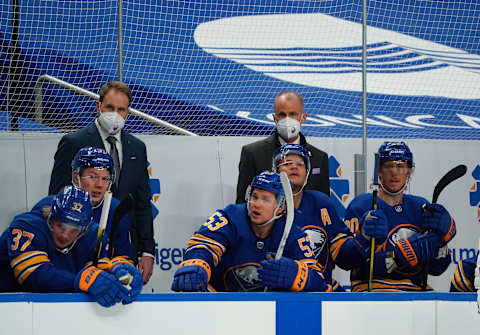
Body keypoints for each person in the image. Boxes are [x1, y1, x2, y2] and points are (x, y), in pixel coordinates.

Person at [48, 81, 154, 284]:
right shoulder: (73, 142)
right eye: (110, 108)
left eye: (121, 109)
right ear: (98, 107)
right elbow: (58, 195)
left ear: (128, 113)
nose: (115, 114)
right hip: (79, 246)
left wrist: (147, 251)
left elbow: (142, 204)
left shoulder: (137, 148)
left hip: (123, 249)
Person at [171, 171, 331, 292]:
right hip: (222, 308)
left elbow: (319, 282)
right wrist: (197, 264)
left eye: (265, 199)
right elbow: (203, 246)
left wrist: (298, 275)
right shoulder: (229, 217)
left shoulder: (293, 234)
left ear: (281, 207)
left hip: (270, 314)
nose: (256, 204)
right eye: (254, 196)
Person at [272, 143, 388, 291]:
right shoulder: (266, 206)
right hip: (277, 293)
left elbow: (344, 258)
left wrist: (363, 237)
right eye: (287, 163)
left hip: (320, 290)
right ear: (275, 170)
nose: (294, 167)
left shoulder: (321, 203)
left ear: (307, 172)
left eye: (300, 164)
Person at [0, 186, 142, 307]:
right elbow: (33, 276)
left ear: (84, 229)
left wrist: (119, 275)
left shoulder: (93, 235)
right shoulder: (26, 226)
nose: (65, 235)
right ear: (51, 217)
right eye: (60, 226)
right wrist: (79, 281)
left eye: (74, 229)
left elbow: (97, 274)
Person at [344, 141, 456, 291]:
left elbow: (437, 269)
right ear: (379, 171)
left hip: (416, 295)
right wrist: (395, 257)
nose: (395, 172)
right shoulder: (360, 206)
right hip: (373, 294)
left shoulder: (420, 207)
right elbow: (351, 263)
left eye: (401, 167)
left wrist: (441, 242)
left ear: (408, 173)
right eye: (389, 166)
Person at [34, 147, 133, 260]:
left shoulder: (116, 210)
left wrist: (121, 270)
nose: (99, 185)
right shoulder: (50, 205)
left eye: (105, 178)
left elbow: (123, 256)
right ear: (76, 178)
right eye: (92, 177)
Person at [236, 91, 330, 204]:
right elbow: (242, 202)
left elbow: (324, 204)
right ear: (274, 118)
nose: (287, 119)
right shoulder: (252, 153)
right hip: (267, 221)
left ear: (303, 117)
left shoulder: (320, 157)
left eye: (293, 114)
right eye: (282, 115)